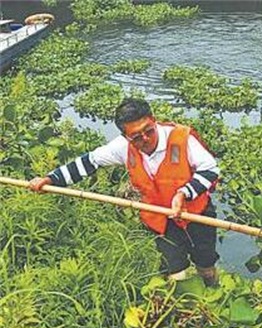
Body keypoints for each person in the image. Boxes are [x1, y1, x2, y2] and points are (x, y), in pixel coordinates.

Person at [28, 98, 221, 286]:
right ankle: (183, 310)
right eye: (136, 137)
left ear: (153, 121)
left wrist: (183, 193)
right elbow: (89, 162)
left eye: (148, 131)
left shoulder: (181, 138)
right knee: (176, 272)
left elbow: (210, 169)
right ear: (126, 136)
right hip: (161, 218)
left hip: (197, 213)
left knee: (206, 267)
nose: (145, 139)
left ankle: (214, 292)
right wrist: (51, 179)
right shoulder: (123, 147)